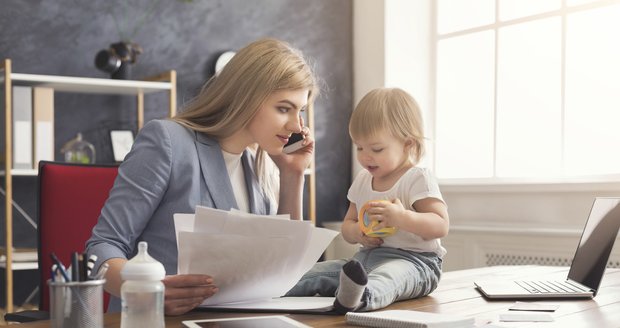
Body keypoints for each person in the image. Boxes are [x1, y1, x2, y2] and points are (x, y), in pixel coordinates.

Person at [85, 38, 319, 315]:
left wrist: (293, 175)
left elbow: (282, 268)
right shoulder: (168, 142)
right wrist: (147, 289)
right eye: (283, 108)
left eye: (300, 111)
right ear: (245, 98)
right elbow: (101, 248)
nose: (296, 126)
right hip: (156, 318)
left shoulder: (261, 164)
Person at [286, 87, 449, 313]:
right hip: (365, 260)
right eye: (359, 147)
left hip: (416, 263)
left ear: (408, 144)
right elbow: (348, 225)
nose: (365, 156)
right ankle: (269, 289)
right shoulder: (363, 179)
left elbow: (440, 225)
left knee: (389, 277)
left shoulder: (417, 178)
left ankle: (361, 297)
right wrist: (359, 233)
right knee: (315, 272)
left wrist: (402, 218)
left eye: (377, 148)